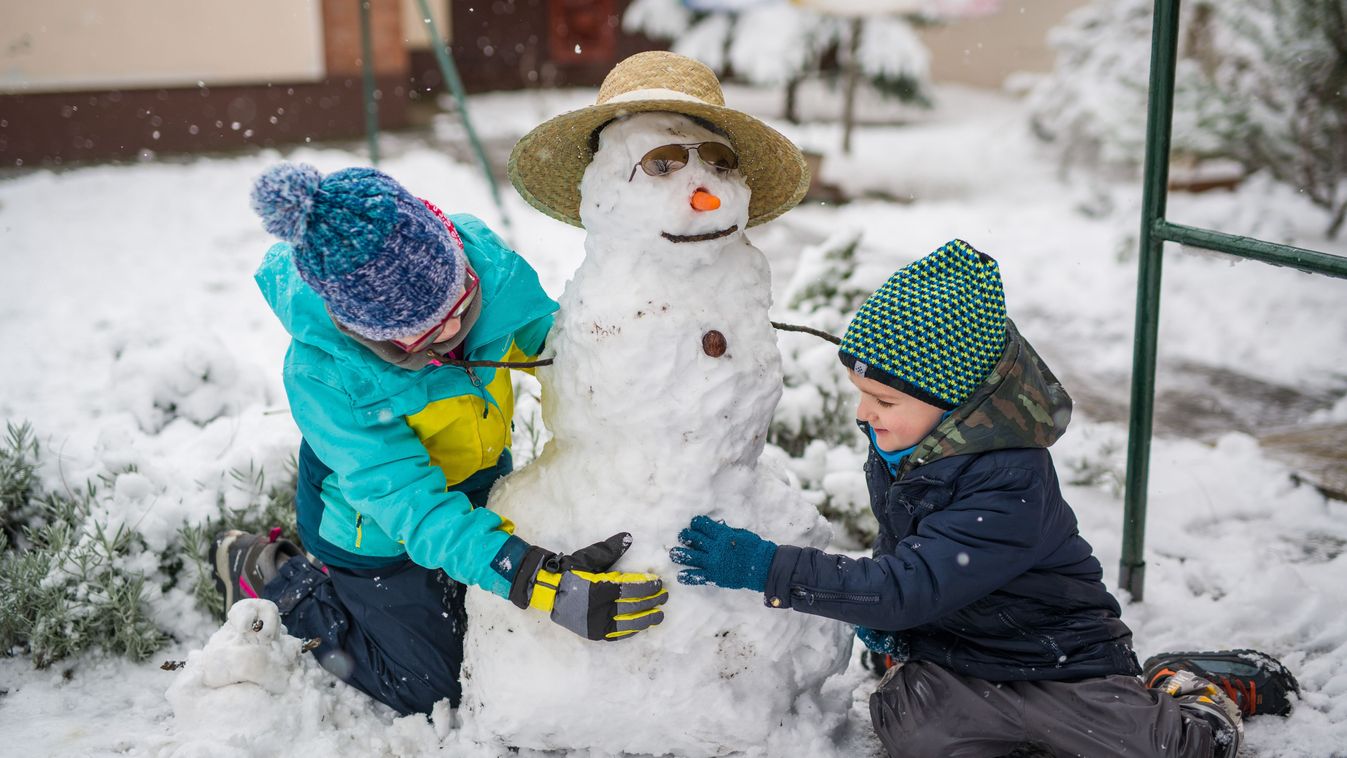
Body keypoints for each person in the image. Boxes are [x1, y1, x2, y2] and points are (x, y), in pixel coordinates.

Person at [671, 240, 1298, 757]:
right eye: (861, 394)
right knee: (912, 732)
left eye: (885, 401)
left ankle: (1192, 685)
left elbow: (906, 585)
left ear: (958, 404)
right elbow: (904, 557)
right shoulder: (903, 449)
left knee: (1169, 751)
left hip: (1059, 663)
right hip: (962, 658)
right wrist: (894, 631)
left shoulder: (1009, 481)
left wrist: (769, 568)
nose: (864, 415)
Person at [212, 163, 668, 716]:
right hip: (376, 529)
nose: (453, 333)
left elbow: (551, 345)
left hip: (479, 479)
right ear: (362, 329)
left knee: (498, 629)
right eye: (424, 335)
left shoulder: (484, 261)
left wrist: (632, 376)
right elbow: (414, 507)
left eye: (461, 304)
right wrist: (539, 581)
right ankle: (275, 575)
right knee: (435, 685)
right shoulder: (327, 375)